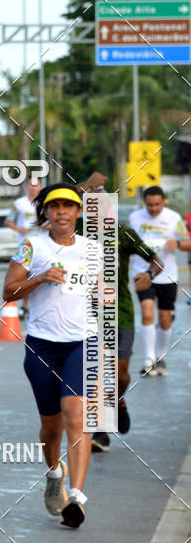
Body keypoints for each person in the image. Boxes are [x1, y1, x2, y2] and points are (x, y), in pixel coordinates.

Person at [2, 183, 98, 529]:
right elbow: (8, 291)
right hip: (42, 344)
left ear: (78, 213)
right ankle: (54, 473)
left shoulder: (93, 249)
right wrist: (41, 277)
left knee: (76, 414)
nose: (61, 212)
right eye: (54, 206)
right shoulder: (32, 247)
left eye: (68, 206)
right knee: (50, 426)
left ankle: (77, 497)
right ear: (45, 212)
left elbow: (101, 293)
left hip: (81, 343)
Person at [91, 220, 162, 452]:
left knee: (120, 375)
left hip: (120, 312)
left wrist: (149, 274)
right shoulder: (77, 230)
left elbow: (155, 259)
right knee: (100, 371)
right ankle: (101, 431)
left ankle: (119, 401)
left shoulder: (124, 234)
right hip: (88, 313)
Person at [129, 186, 191, 376]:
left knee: (165, 318)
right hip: (144, 273)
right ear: (144, 202)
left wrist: (178, 244)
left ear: (164, 201)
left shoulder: (174, 218)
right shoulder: (135, 217)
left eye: (157, 204)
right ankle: (148, 360)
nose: (153, 209)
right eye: (149, 205)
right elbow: (128, 241)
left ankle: (160, 356)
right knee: (147, 313)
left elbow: (188, 242)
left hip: (168, 275)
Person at [5, 177, 42, 318]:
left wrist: (45, 226)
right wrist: (19, 229)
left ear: (40, 186)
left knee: (39, 276)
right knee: (25, 277)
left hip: (42, 245)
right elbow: (8, 221)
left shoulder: (45, 203)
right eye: (31, 185)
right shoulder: (19, 204)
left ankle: (36, 306)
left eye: (36, 185)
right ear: (27, 186)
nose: (33, 188)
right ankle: (25, 306)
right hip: (25, 246)